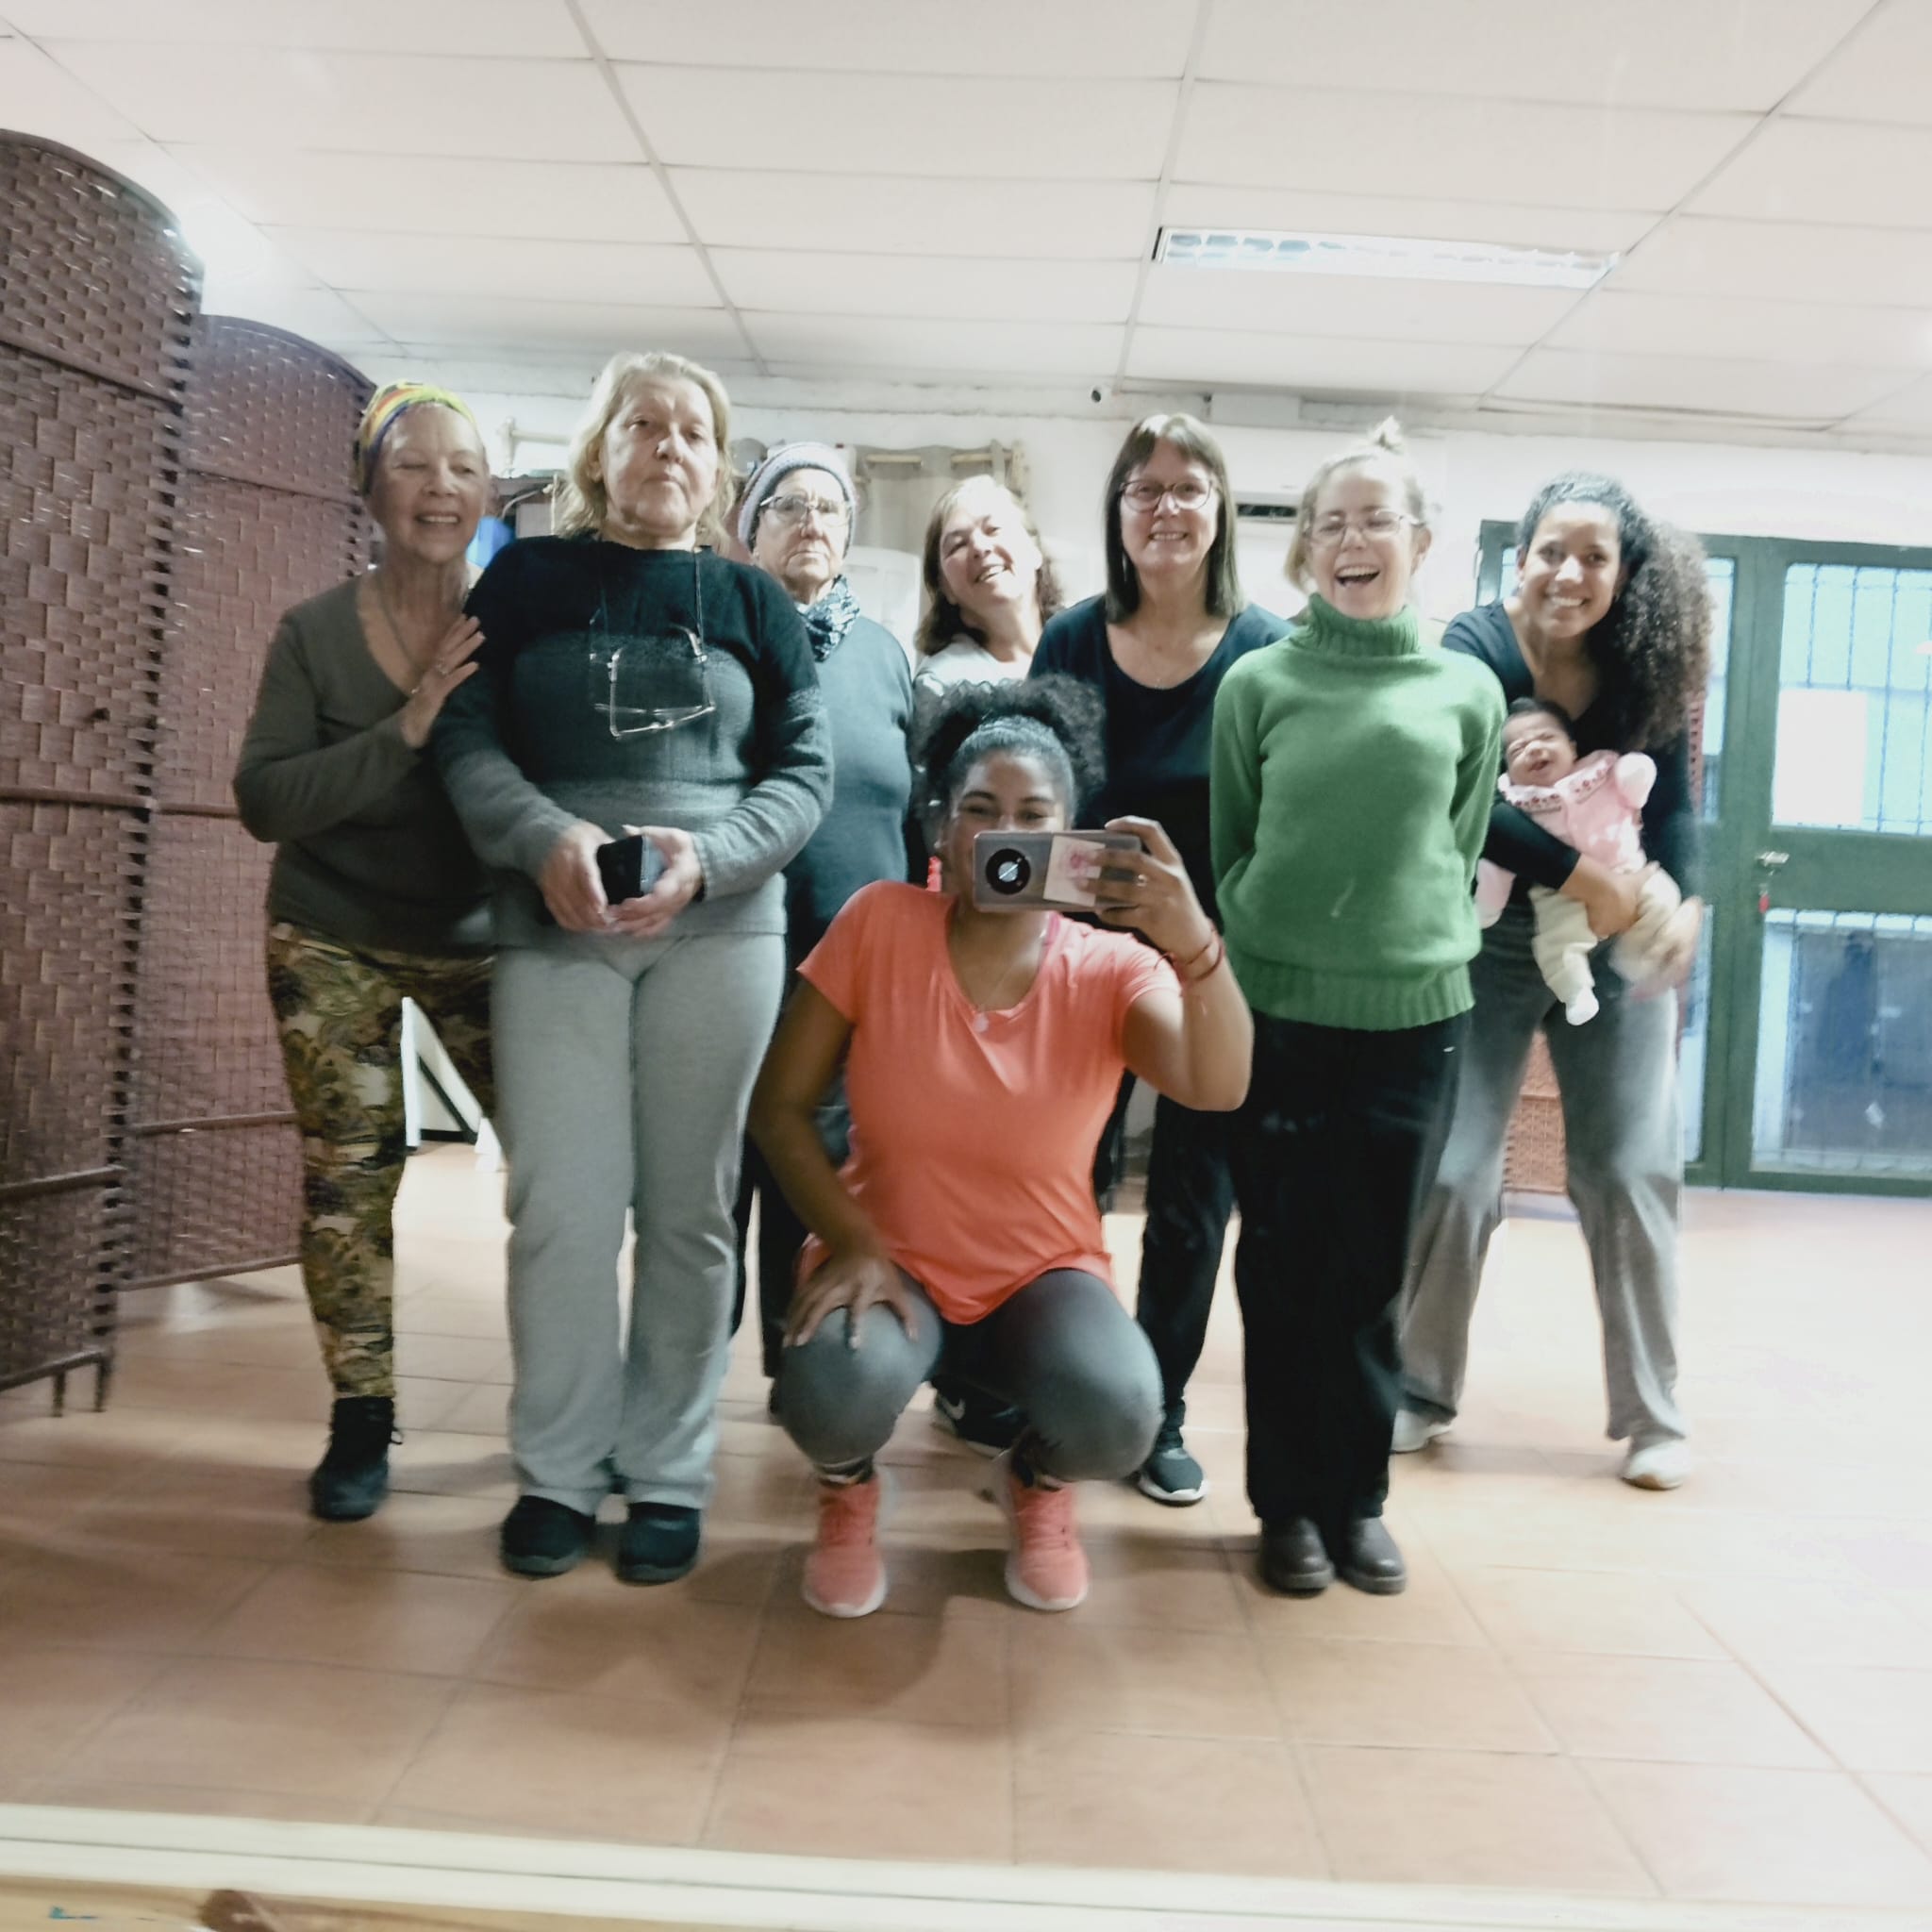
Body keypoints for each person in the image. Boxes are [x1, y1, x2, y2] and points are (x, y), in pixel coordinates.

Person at [432, 350, 831, 1585]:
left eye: (692, 433)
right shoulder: (528, 579)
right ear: (601, 451)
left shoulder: (753, 602)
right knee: (560, 1210)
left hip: (720, 935)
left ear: (718, 468)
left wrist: (709, 858)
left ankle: (665, 1470)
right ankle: (557, 1469)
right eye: (642, 426)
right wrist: (544, 835)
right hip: (556, 929)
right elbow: (460, 731)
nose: (666, 447)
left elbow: (803, 774)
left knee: (689, 1214)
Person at [748, 679, 1253, 1618]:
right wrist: (850, 1239)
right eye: (978, 810)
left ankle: (1035, 1481)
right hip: (887, 1259)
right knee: (822, 1395)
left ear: (1072, 833)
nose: (1003, 834)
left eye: (1033, 815)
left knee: (1120, 1413)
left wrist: (1191, 942)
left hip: (1040, 1273)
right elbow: (778, 1107)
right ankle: (849, 1485)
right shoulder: (878, 923)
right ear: (940, 827)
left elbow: (1216, 1084)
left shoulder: (1111, 964)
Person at [1211, 422, 1504, 1598]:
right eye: (1326, 521)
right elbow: (1232, 849)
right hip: (1277, 1010)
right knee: (1280, 1262)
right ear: (1302, 553)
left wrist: (1398, 937)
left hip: (1412, 1017)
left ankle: (1356, 1498)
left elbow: (1460, 842)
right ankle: (1284, 1504)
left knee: (1370, 1271)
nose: (1349, 540)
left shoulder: (1465, 688)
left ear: (1420, 541)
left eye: (1374, 518)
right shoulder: (1258, 682)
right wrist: (1276, 933)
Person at [1397, 474, 1709, 1491]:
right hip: (1487, 931)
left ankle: (1654, 1416)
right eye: (1551, 550)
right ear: (1517, 557)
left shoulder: (1640, 669)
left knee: (1628, 1168)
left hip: (1612, 933)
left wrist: (1686, 901)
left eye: (1594, 556)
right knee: (1452, 1170)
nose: (1569, 574)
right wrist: (1583, 877)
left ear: (1623, 576)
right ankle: (1415, 1389)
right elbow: (1459, 807)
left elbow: (1671, 811)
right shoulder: (1473, 652)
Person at [234, 381, 496, 1524]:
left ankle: (572, 1412)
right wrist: (403, 732)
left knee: (563, 1170)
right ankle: (361, 1415)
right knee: (349, 1179)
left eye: (461, 465)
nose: (438, 485)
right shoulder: (314, 633)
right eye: (411, 464)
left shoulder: (515, 627)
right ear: (369, 485)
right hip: (331, 927)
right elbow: (264, 797)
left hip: (484, 938)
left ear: (488, 491)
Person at [1031, 412, 1283, 1507]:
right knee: (1059, 1174)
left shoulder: (1264, 652)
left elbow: (1275, 825)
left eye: (1188, 487)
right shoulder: (1072, 640)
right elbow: (1044, 803)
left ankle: (1156, 1413)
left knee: (1192, 1199)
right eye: (1143, 488)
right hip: (1079, 959)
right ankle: (1046, 1386)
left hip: (1204, 962)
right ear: (1116, 514)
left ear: (1219, 509)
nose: (1166, 506)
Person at [728, 441, 914, 1392]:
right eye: (787, 504)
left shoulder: (885, 657)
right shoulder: (720, 637)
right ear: (746, 529)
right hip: (726, 957)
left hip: (850, 982)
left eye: (829, 508)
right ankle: (677, 1394)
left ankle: (801, 1383)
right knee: (716, 1177)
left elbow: (918, 814)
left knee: (818, 1182)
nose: (810, 521)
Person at [1475, 697, 1683, 1025]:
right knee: (1558, 943)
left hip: (1630, 869)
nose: (1533, 749)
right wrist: (1487, 905)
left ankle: (1629, 962)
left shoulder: (1597, 773)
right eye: (1518, 750)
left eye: (1546, 738)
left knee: (1664, 899)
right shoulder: (1517, 803)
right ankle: (1575, 991)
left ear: (1573, 748)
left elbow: (1636, 785)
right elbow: (1497, 862)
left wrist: (1636, 775)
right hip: (1557, 891)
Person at [912, 475, 1062, 695]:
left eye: (994, 529)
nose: (979, 547)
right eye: (957, 545)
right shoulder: (940, 686)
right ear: (946, 588)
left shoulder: (1091, 640)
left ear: (1034, 551)